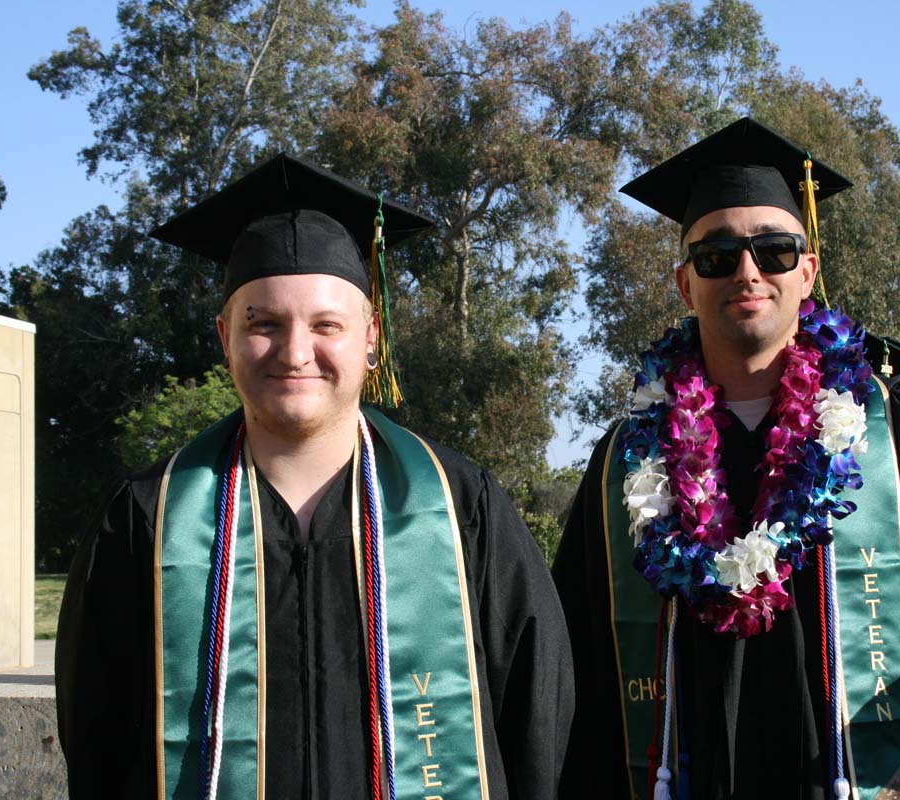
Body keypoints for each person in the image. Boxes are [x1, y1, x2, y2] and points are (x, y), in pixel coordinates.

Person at [552, 117, 900, 800]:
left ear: (807, 271)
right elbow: (569, 653)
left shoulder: (899, 429)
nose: (747, 271)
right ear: (685, 285)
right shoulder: (627, 460)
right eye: (717, 255)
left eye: (775, 251)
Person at [55, 153, 574, 800]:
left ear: (371, 338)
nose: (295, 351)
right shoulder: (146, 520)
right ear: (224, 336)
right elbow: (97, 743)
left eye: (327, 324)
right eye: (263, 324)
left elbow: (538, 726)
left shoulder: (462, 507)